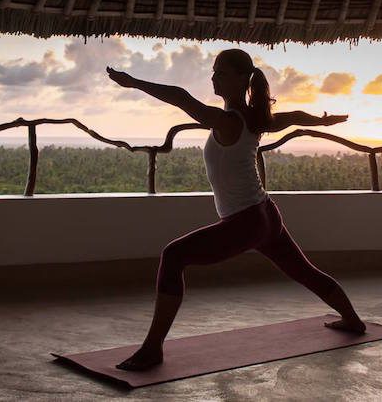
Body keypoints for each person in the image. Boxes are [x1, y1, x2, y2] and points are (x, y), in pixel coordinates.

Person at [106, 48, 365, 371]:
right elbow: (294, 116)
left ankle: (152, 349)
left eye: (221, 72)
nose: (214, 77)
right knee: (304, 271)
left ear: (242, 79)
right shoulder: (257, 119)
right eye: (214, 71)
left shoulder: (228, 120)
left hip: (247, 221)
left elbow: (181, 97)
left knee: (173, 256)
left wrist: (134, 83)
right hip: (265, 214)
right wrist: (323, 121)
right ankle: (352, 320)